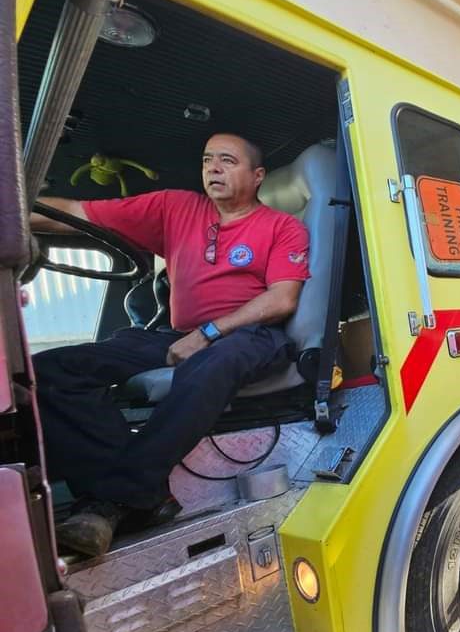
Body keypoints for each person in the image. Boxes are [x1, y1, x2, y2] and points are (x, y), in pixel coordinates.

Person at [31, 133, 310, 558]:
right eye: (207, 160)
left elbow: (282, 299)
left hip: (251, 336)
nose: (212, 168)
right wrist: (16, 210)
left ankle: (114, 501)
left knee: (214, 359)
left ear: (257, 176)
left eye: (227, 161)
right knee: (51, 371)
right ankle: (137, 495)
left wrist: (210, 333)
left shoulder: (282, 226)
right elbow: (75, 213)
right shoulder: (175, 207)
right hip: (181, 334)